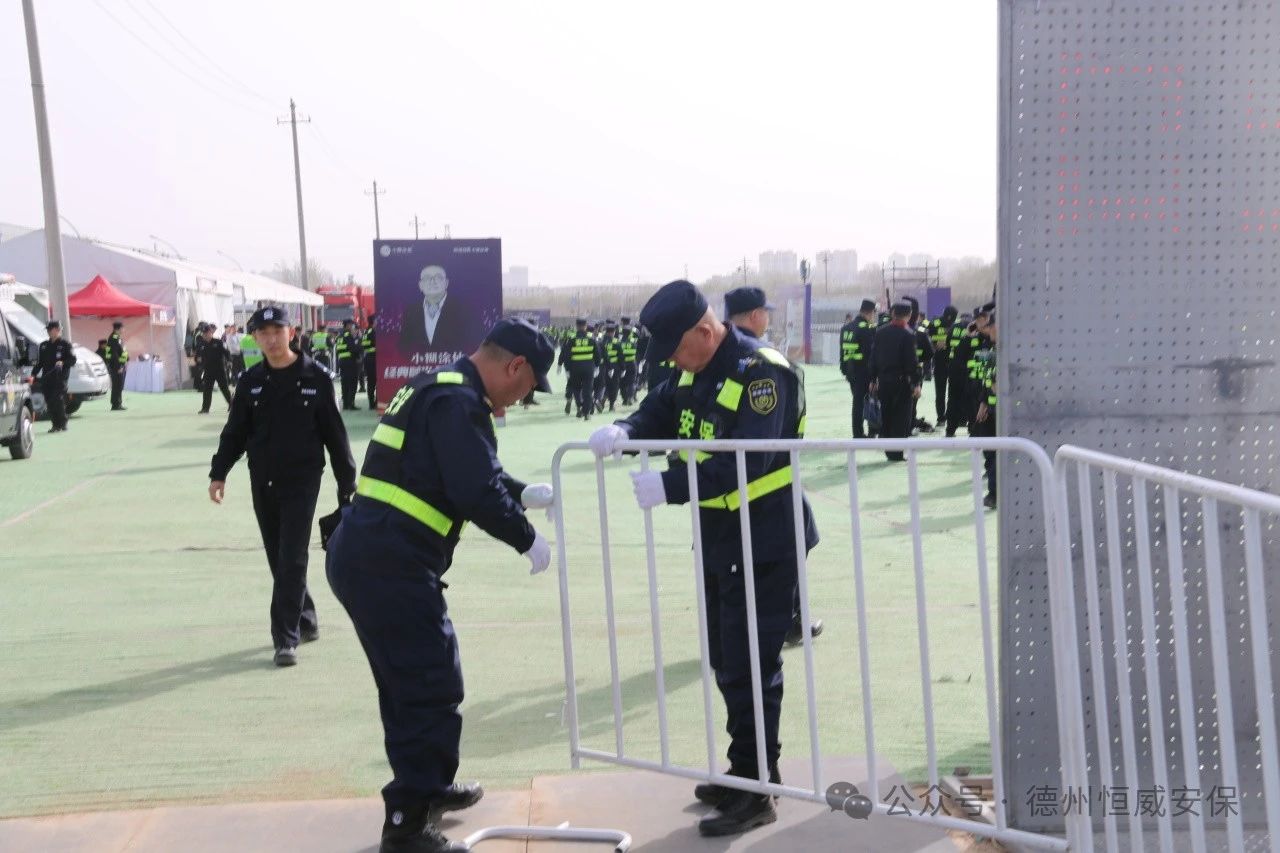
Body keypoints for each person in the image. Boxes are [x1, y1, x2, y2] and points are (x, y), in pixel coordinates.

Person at [588, 280, 818, 838]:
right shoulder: (695, 369)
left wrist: (670, 486)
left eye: (675, 348)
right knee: (726, 659)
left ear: (704, 330)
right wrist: (626, 429)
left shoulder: (761, 373)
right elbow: (660, 408)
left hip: (764, 540)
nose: (672, 361)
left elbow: (750, 461)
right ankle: (746, 771)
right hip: (720, 537)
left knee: (752, 664)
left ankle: (757, 790)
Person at [325, 318, 556, 853]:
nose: (523, 398)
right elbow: (474, 489)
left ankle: (428, 786)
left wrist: (520, 493)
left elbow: (460, 469)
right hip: (389, 562)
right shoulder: (459, 402)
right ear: (515, 366)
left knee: (410, 682)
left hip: (373, 554)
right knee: (428, 684)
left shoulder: (439, 386)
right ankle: (407, 823)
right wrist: (526, 538)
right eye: (527, 387)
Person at [208, 306, 356, 667]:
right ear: (255, 338)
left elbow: (335, 436)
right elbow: (235, 432)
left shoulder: (316, 378)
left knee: (292, 556)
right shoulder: (251, 381)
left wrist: (346, 485)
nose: (272, 339)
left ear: (291, 333)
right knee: (278, 557)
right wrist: (219, 472)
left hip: (303, 481)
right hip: (263, 479)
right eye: (264, 333)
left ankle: (285, 637)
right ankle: (305, 618)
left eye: (278, 331)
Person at [725, 286, 824, 647]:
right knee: (793, 542)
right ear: (755, 316)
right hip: (769, 480)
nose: (767, 318)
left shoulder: (716, 356)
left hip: (723, 482)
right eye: (765, 312)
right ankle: (784, 619)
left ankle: (781, 617)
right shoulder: (763, 360)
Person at [869, 302, 922, 462]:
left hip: (883, 380)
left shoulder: (880, 332)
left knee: (887, 414)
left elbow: (873, 357)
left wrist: (872, 379)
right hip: (901, 382)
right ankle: (897, 453)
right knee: (901, 417)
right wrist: (916, 383)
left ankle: (888, 449)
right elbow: (911, 362)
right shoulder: (908, 334)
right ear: (909, 315)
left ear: (892, 313)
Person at [398, 264, 485, 355]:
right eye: (427, 278)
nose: (432, 281)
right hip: (418, 363)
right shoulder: (411, 311)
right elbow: (403, 345)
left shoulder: (465, 309)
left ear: (446, 283)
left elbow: (477, 344)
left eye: (438, 277)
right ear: (420, 285)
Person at [971, 309, 998, 508]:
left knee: (999, 454)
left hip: (1003, 412)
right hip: (990, 409)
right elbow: (986, 382)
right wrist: (983, 403)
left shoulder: (1008, 351)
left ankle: (995, 493)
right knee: (990, 452)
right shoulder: (992, 348)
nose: (988, 330)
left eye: (991, 326)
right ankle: (994, 492)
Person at [839, 300, 877, 438]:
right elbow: (870, 354)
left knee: (857, 402)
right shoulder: (865, 329)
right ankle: (863, 433)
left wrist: (844, 370)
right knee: (865, 402)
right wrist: (873, 377)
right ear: (870, 312)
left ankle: (858, 432)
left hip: (850, 371)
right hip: (863, 371)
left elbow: (842, 352)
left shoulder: (846, 328)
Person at [32, 320, 75, 433]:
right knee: (49, 402)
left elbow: (72, 360)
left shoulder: (65, 345)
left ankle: (61, 423)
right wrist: (33, 374)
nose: (49, 332)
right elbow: (40, 363)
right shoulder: (44, 345)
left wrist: (63, 362)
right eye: (48, 330)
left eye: (50, 329)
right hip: (47, 379)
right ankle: (56, 424)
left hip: (60, 379)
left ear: (57, 330)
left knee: (57, 400)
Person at [559, 317, 597, 419]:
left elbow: (566, 354)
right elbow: (597, 353)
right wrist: (597, 366)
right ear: (585, 326)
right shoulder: (591, 337)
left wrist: (566, 368)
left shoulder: (571, 338)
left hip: (575, 368)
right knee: (587, 390)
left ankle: (579, 406)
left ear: (576, 326)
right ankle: (586, 413)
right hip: (588, 368)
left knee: (576, 389)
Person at [930, 306, 958, 426]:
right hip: (942, 361)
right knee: (942, 393)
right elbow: (926, 338)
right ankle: (942, 417)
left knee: (950, 392)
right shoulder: (935, 323)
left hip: (950, 362)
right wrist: (934, 345)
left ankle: (948, 417)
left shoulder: (955, 325)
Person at [197, 325, 232, 413]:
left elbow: (226, 352)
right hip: (208, 370)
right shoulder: (202, 344)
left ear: (210, 333)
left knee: (224, 388)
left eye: (206, 333)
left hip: (219, 370)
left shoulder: (218, 342)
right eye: (203, 333)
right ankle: (205, 408)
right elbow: (198, 356)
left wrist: (229, 361)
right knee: (207, 390)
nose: (205, 335)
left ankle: (232, 405)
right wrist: (198, 360)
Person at [335, 318, 364, 410]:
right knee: (352, 382)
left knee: (344, 383)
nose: (352, 327)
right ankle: (351, 403)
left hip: (342, 361)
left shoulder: (339, 336)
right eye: (351, 325)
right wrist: (360, 347)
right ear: (347, 325)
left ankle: (345, 404)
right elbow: (353, 348)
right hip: (350, 361)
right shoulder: (348, 335)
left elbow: (338, 349)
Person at [105, 320, 128, 411]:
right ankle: (116, 404)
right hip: (116, 366)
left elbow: (121, 351)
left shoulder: (117, 337)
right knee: (117, 385)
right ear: (118, 328)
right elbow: (114, 354)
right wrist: (119, 366)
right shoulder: (114, 338)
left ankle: (118, 403)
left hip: (120, 365)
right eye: (122, 328)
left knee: (119, 385)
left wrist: (126, 360)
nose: (124, 329)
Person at [618, 316, 640, 405]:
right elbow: (640, 343)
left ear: (622, 322)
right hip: (633, 360)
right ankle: (632, 397)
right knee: (632, 381)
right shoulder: (635, 332)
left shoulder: (619, 331)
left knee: (622, 382)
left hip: (622, 363)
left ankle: (625, 399)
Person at [362, 314, 378, 410]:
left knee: (371, 382)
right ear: (374, 321)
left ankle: (372, 403)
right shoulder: (373, 332)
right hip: (373, 358)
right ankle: (375, 402)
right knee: (375, 381)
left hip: (368, 358)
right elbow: (377, 344)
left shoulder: (366, 331)